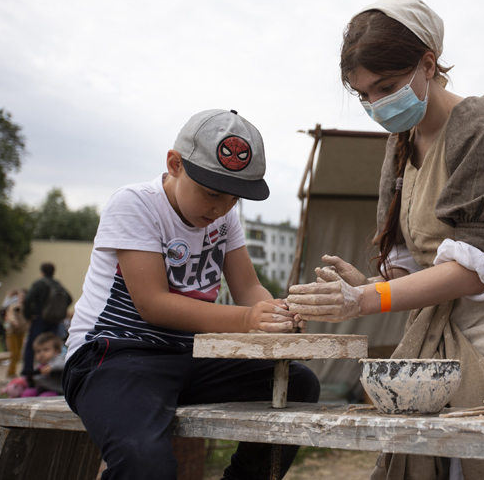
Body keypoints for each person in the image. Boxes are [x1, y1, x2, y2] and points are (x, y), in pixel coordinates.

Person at [287, 0, 484, 480]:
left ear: (428, 64)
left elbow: (470, 271)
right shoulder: (400, 144)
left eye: (385, 87)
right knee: (436, 464)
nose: (376, 104)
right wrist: (366, 282)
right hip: (442, 331)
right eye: (363, 95)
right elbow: (416, 265)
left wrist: (362, 299)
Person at [63, 109, 320, 480]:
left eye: (233, 199)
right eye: (212, 193)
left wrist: (277, 312)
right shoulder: (135, 204)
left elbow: (247, 287)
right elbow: (154, 304)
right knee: (143, 460)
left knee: (299, 384)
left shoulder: (223, 218)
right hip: (113, 356)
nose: (220, 208)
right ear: (174, 164)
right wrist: (249, 319)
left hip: (187, 354)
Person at [21, 262, 71, 376]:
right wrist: (58, 311)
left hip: (39, 319)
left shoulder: (39, 283)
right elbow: (69, 298)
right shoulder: (57, 284)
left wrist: (29, 315)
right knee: (53, 346)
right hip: (54, 321)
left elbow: (27, 300)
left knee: (33, 346)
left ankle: (29, 372)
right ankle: (51, 369)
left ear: (42, 272)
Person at [20, 332, 65, 397]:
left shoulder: (58, 358)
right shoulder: (39, 364)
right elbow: (37, 378)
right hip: (42, 389)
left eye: (46, 350)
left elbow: (63, 365)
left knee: (44, 397)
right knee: (27, 393)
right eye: (38, 351)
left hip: (57, 391)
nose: (41, 354)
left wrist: (51, 368)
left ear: (56, 351)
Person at [2, 288, 28, 378]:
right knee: (14, 353)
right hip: (12, 333)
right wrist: (13, 321)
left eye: (24, 297)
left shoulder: (28, 308)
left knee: (18, 353)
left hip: (21, 332)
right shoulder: (14, 306)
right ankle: (10, 373)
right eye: (20, 297)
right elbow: (11, 315)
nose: (22, 299)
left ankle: (13, 371)